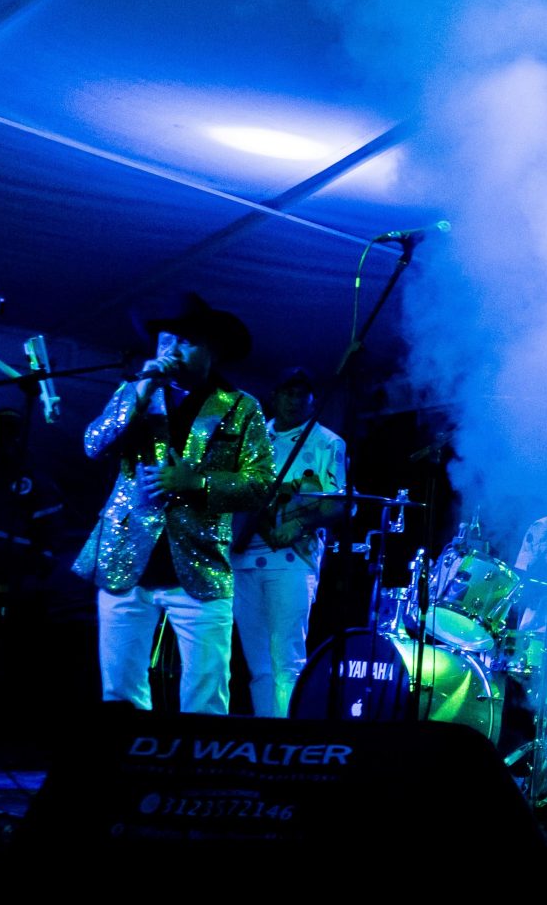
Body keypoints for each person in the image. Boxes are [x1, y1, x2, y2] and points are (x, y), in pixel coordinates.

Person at [79, 294, 274, 714]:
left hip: (200, 565)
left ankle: (195, 760)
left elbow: (260, 485)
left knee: (206, 698)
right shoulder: (135, 392)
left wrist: (197, 482)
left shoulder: (241, 407)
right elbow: (94, 444)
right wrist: (141, 389)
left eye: (185, 341)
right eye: (165, 340)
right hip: (126, 558)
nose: (172, 350)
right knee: (119, 695)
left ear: (212, 349)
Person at [229, 368, 350, 719]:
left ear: (313, 400)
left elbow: (338, 504)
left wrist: (300, 523)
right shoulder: (252, 438)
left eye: (301, 394)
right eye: (287, 393)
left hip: (293, 561)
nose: (294, 401)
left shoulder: (328, 442)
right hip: (243, 559)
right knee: (258, 663)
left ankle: (286, 735)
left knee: (287, 659)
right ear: (275, 396)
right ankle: (265, 732)